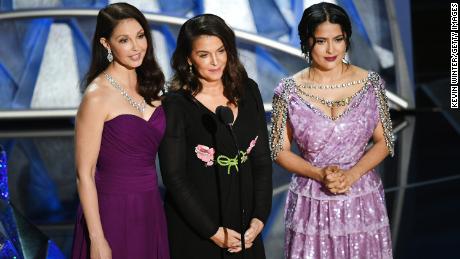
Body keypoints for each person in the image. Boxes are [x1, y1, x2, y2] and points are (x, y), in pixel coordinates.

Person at [270, 2, 394, 259]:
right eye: (321, 41)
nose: (331, 49)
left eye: (338, 39)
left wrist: (352, 175)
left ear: (346, 38)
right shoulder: (288, 91)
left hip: (361, 198)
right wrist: (318, 173)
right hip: (310, 200)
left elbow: (385, 141)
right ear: (307, 41)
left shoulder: (372, 84)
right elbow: (279, 150)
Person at [158, 14, 272, 259]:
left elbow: (261, 161)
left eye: (220, 51)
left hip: (246, 230)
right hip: (198, 232)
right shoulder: (176, 105)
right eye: (203, 55)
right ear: (188, 58)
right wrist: (213, 232)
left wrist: (259, 219)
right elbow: (174, 178)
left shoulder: (248, 89)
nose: (215, 61)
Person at [71, 3, 169, 259]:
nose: (136, 47)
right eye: (124, 40)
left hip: (150, 207)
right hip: (111, 212)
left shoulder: (152, 87)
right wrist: (97, 239)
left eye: (140, 36)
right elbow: (85, 174)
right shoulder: (97, 96)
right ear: (106, 44)